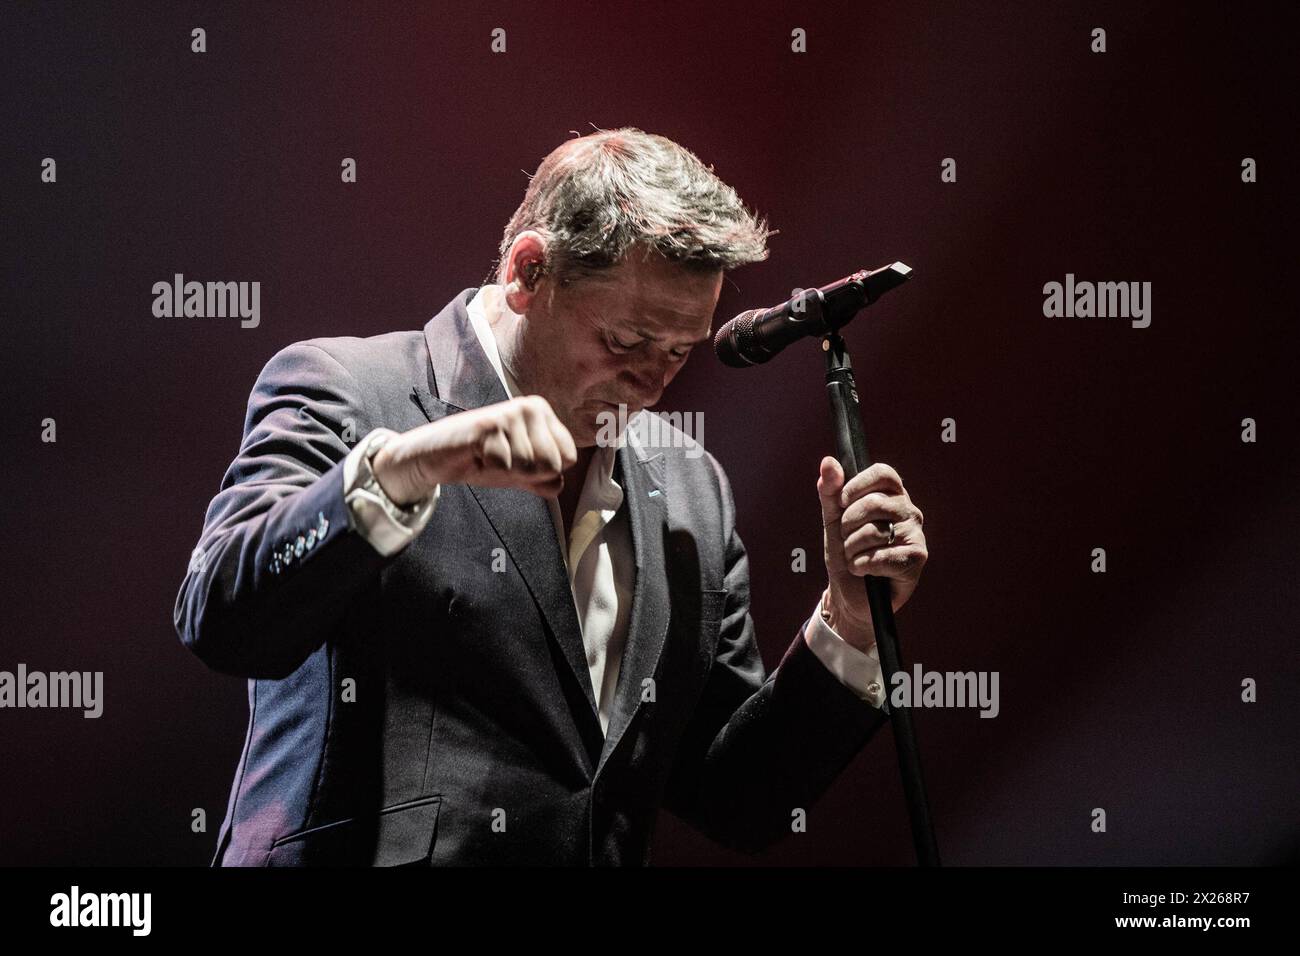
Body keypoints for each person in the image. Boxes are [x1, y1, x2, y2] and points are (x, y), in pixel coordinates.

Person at [174, 127, 928, 866]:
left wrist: (850, 621)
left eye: (679, 351)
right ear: (527, 271)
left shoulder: (695, 493)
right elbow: (223, 618)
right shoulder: (350, 391)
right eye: (627, 342)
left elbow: (737, 801)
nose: (655, 381)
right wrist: (405, 470)